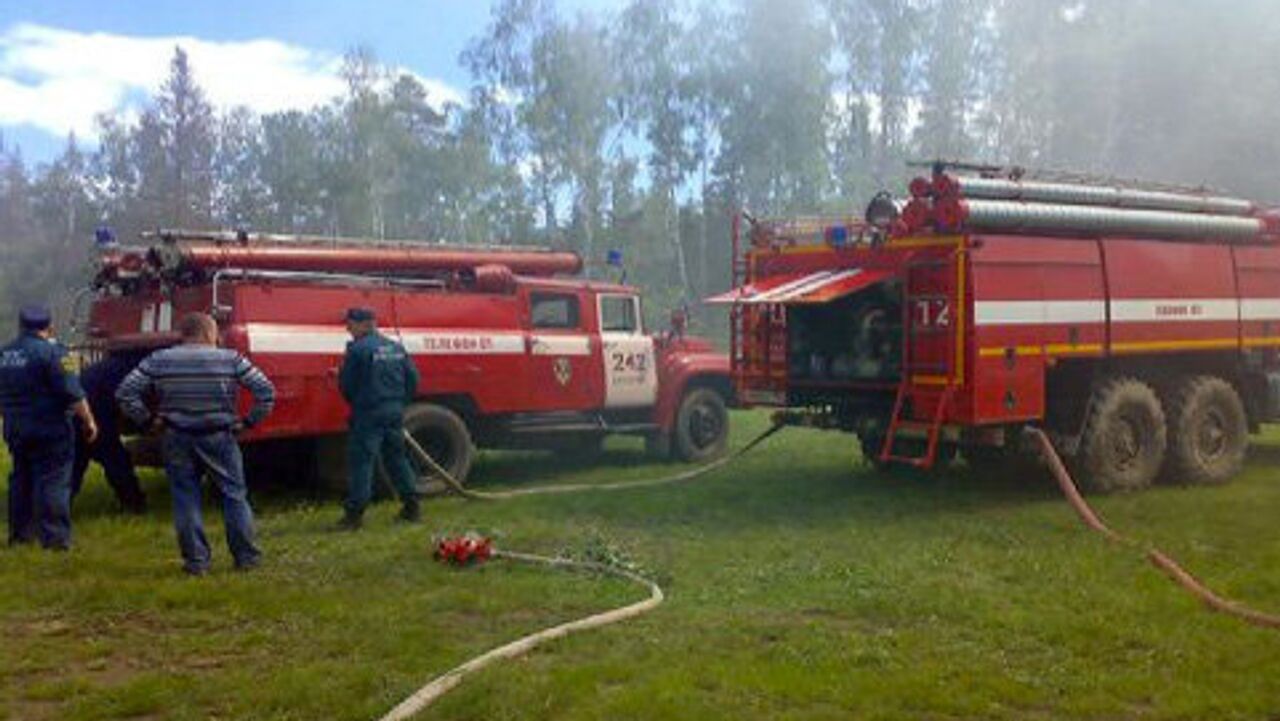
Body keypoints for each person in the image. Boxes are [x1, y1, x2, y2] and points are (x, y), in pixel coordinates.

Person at [116, 313, 275, 575]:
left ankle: (197, 562)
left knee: (185, 497)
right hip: (220, 435)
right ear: (210, 333)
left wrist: (148, 421)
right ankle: (246, 558)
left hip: (176, 435)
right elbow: (265, 391)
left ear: (184, 333)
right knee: (233, 495)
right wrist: (248, 423)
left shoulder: (161, 359)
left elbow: (126, 391)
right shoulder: (231, 359)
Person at [0, 305, 98, 549]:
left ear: (21, 326)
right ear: (50, 326)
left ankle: (20, 536)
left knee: (21, 478)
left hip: (16, 427)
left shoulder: (4, 354)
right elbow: (73, 392)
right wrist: (88, 421)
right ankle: (55, 539)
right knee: (54, 481)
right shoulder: (59, 354)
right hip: (51, 427)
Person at [335, 307, 421, 530]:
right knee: (397, 458)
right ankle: (412, 506)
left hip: (368, 412)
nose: (347, 328)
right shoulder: (395, 347)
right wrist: (399, 402)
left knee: (362, 462)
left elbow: (347, 385)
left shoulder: (357, 350)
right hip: (394, 410)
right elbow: (412, 378)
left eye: (351, 324)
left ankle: (354, 515)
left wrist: (357, 400)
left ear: (364, 324)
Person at [71, 350, 148, 514]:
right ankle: (134, 504)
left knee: (75, 464)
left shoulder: (105, 366)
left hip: (77, 411)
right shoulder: (137, 369)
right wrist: (146, 422)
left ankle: (55, 509)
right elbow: (128, 396)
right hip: (96, 416)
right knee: (115, 460)